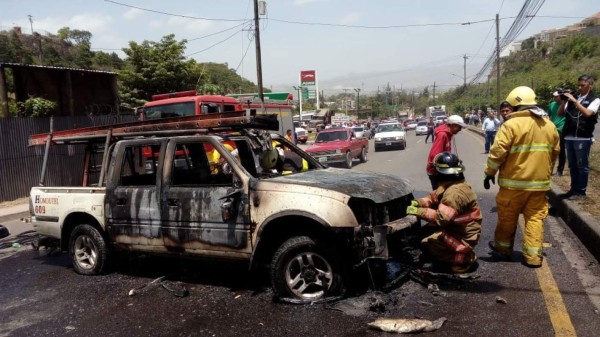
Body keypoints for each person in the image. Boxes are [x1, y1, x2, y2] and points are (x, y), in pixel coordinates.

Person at [484, 86, 559, 268]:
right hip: (538, 186)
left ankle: (503, 250)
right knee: (534, 219)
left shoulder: (510, 125)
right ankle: (533, 258)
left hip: (513, 186)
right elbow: (554, 153)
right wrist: (545, 173)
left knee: (507, 218)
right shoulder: (549, 125)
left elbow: (497, 152)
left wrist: (489, 173)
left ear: (516, 105)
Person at [407, 152, 482, 273]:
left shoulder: (454, 193)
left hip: (464, 237)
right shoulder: (451, 184)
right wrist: (418, 203)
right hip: (457, 228)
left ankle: (465, 259)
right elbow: (433, 198)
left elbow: (442, 218)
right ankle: (451, 253)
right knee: (423, 233)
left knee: (429, 241)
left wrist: (417, 211)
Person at [557, 75, 600, 199]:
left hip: (583, 137)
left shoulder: (595, 99)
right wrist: (565, 100)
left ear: (590, 85)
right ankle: (573, 189)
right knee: (572, 166)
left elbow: (588, 113)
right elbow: (560, 113)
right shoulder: (574, 98)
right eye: (579, 85)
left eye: (582, 85)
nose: (579, 87)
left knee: (582, 166)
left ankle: (581, 192)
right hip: (570, 137)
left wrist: (575, 102)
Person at [425, 115, 467, 189]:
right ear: (453, 125)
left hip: (441, 170)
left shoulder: (449, 134)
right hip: (436, 172)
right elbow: (434, 155)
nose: (460, 129)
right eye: (459, 127)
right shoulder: (442, 135)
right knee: (441, 195)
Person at [549, 89, 567, 176]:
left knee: (560, 149)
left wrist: (564, 102)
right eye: (554, 96)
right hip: (552, 128)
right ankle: (549, 168)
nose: (555, 98)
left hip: (561, 128)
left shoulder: (566, 105)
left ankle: (560, 170)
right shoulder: (552, 104)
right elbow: (549, 116)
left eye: (557, 96)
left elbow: (561, 114)